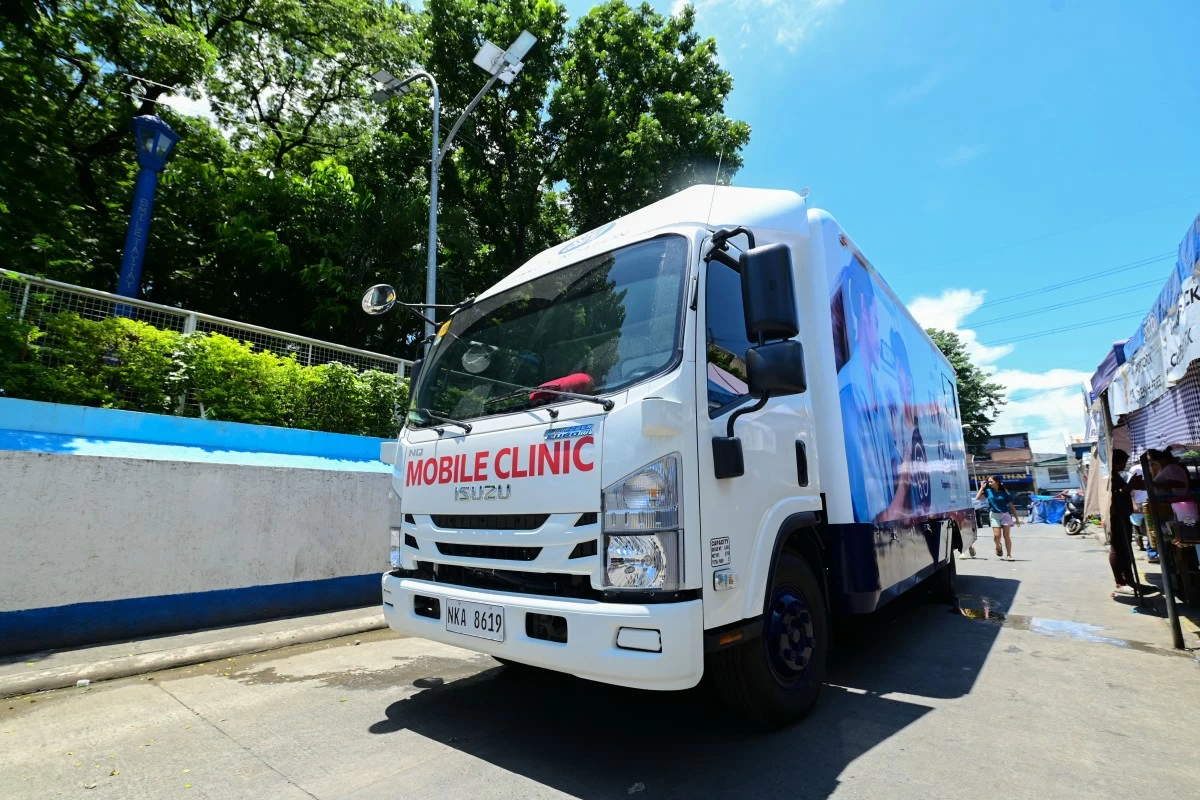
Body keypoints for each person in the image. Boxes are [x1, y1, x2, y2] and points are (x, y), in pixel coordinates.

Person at [1108, 449, 1137, 594]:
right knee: (1118, 548)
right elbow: (1118, 493)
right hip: (1116, 515)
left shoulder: (1116, 475)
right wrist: (1132, 484)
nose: (1124, 466)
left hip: (1122, 514)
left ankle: (1128, 579)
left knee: (1125, 548)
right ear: (1115, 462)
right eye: (1123, 463)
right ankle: (1120, 582)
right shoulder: (1109, 476)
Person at [976, 476, 1021, 560]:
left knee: (1006, 535)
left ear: (997, 482)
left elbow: (1011, 506)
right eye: (988, 482)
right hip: (994, 515)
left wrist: (1017, 519)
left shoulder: (1005, 493)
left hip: (1005, 515)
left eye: (991, 482)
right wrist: (982, 488)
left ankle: (1009, 555)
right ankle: (998, 546)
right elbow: (977, 498)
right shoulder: (988, 491)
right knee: (997, 536)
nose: (989, 483)